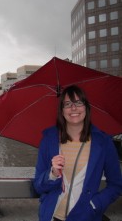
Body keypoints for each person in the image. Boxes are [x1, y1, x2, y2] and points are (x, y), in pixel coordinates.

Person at [33, 85, 122, 221]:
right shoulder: (49, 140)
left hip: (85, 216)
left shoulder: (103, 142)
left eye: (79, 102)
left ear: (86, 107)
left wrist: (95, 204)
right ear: (62, 111)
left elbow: (116, 185)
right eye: (67, 104)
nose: (73, 108)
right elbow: (38, 186)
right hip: (52, 215)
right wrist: (52, 174)